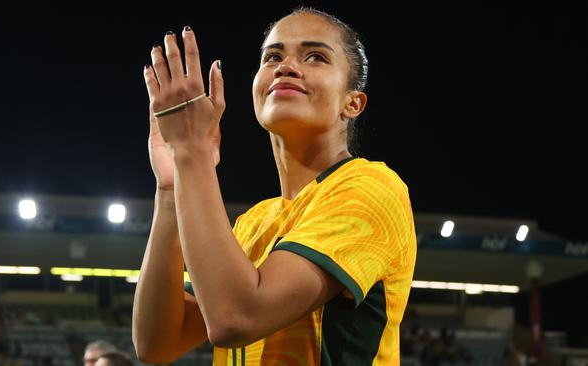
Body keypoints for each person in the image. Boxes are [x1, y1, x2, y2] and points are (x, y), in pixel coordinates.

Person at [132, 6, 417, 365]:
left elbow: (236, 318)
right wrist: (172, 189)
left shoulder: (371, 188)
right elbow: (156, 344)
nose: (286, 66)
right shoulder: (253, 222)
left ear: (353, 103)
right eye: (273, 56)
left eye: (315, 57)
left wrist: (192, 154)